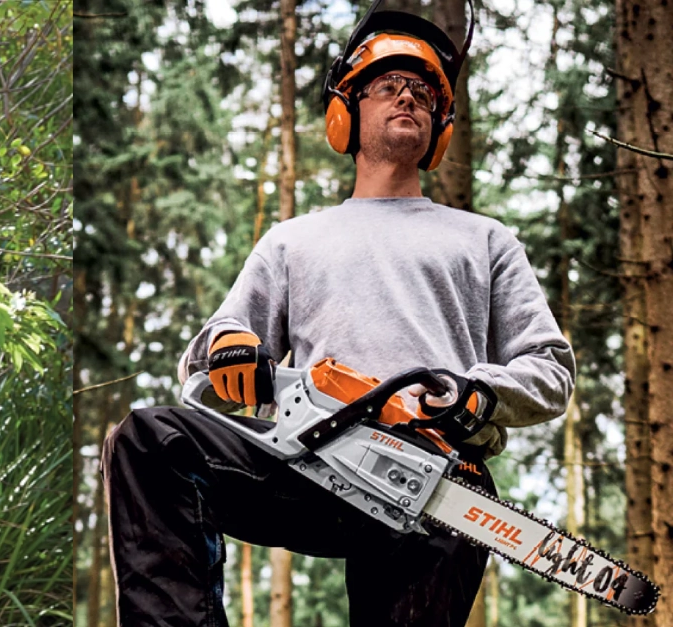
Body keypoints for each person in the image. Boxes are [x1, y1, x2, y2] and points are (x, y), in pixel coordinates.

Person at [100, 4, 575, 626]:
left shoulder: (484, 239)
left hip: (436, 479)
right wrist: (230, 344)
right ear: (345, 112)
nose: (408, 97)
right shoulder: (293, 241)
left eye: (425, 93)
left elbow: (549, 369)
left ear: (440, 127)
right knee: (151, 443)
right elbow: (207, 355)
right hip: (313, 463)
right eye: (389, 85)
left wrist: (475, 394)